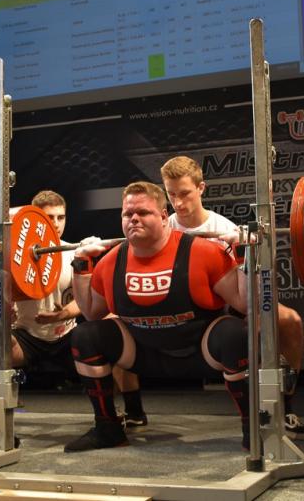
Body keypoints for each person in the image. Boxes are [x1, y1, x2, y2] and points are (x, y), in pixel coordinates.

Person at [65, 181, 251, 452]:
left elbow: (245, 304)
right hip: (143, 353)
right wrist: (80, 263)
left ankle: (252, 429)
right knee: (86, 335)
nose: (134, 219)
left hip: (200, 352)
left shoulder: (203, 252)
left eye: (143, 212)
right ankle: (107, 429)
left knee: (236, 333)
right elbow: (92, 312)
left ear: (164, 217)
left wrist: (245, 255)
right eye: (128, 214)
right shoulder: (111, 262)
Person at [160, 155, 304, 440]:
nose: (178, 203)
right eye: (171, 195)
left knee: (289, 320)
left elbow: (247, 288)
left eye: (185, 193)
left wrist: (257, 318)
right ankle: (132, 412)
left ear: (201, 188)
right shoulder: (163, 232)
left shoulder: (226, 231)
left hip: (227, 304)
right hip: (183, 309)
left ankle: (284, 410)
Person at [0, 190, 147, 428]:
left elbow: (87, 300)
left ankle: (131, 411)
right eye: (49, 217)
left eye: (61, 217)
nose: (56, 224)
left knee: (114, 330)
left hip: (66, 334)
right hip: (28, 336)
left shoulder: (74, 252)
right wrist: (6, 312)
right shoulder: (11, 258)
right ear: (35, 220)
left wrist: (64, 313)